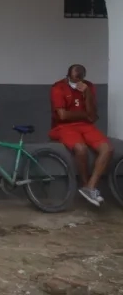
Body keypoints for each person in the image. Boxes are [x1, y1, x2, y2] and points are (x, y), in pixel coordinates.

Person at [49, 64, 114, 207]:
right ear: (68, 76)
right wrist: (85, 115)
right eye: (74, 79)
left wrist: (87, 94)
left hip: (86, 126)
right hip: (63, 127)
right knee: (81, 149)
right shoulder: (58, 87)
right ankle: (84, 185)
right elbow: (62, 115)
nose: (77, 82)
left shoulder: (88, 86)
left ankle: (90, 187)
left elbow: (92, 116)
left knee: (107, 149)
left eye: (80, 79)